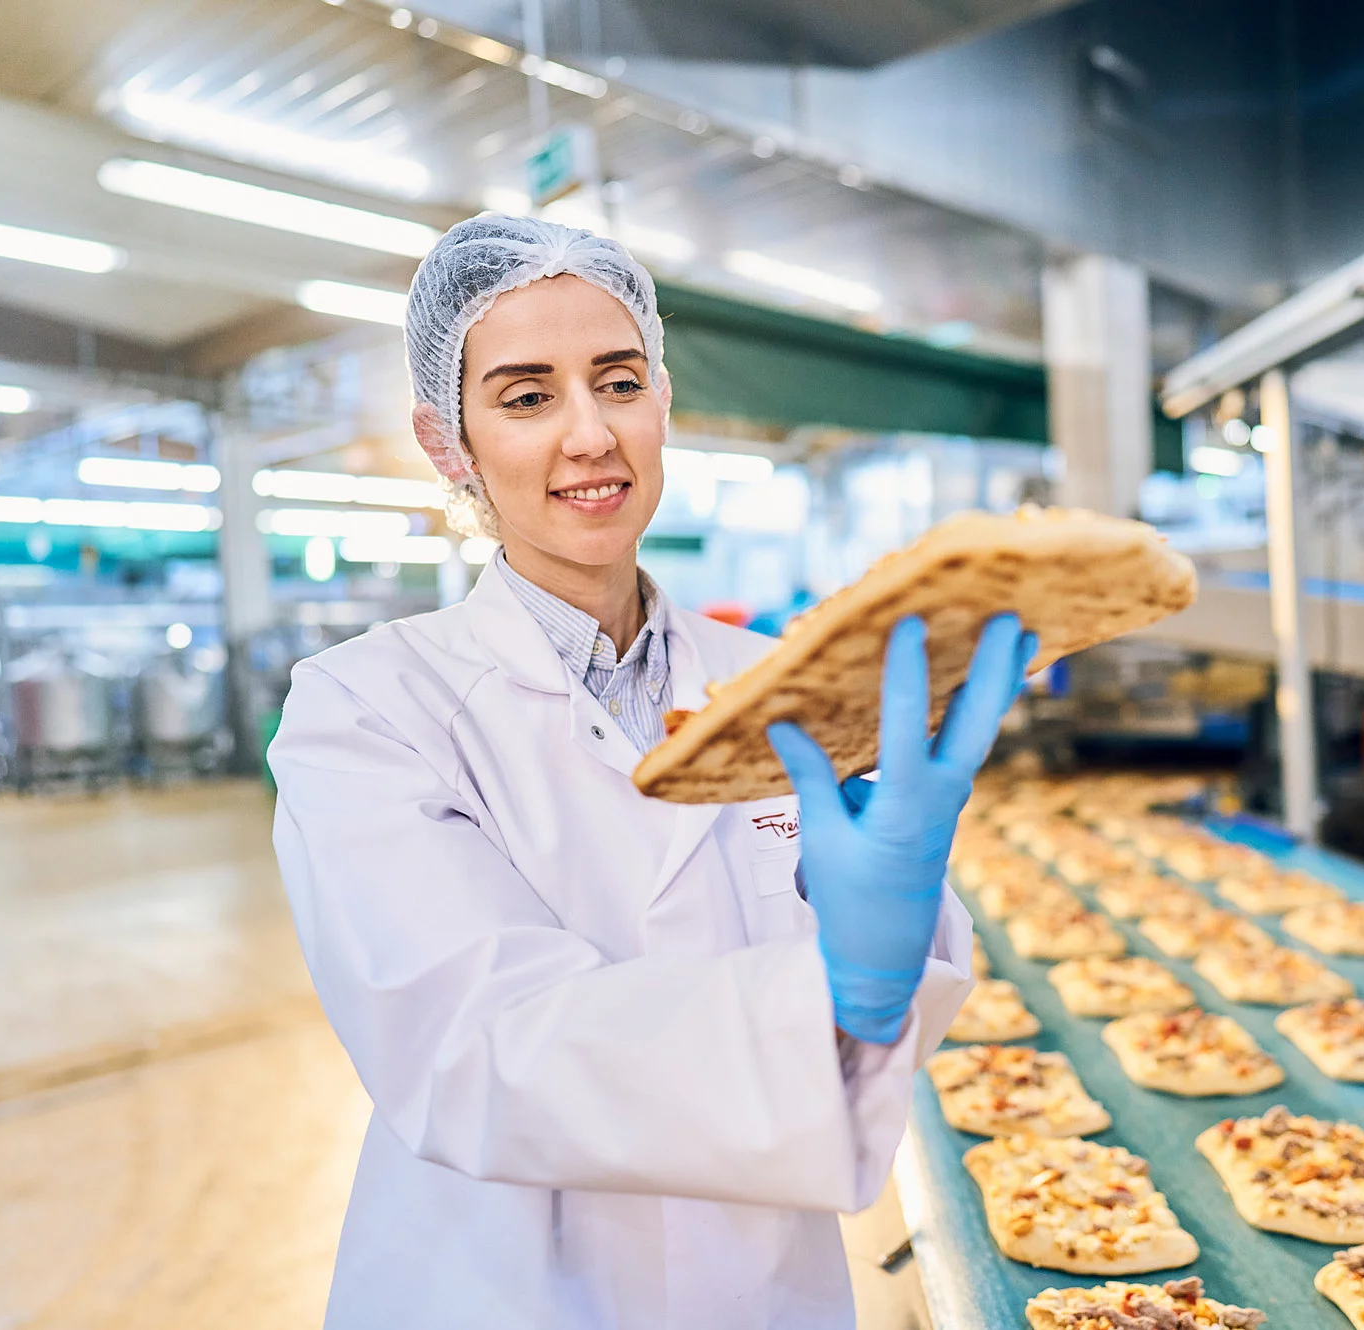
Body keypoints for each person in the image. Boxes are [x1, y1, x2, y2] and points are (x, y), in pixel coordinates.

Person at [267, 214, 1036, 1330]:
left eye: (617, 381)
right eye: (526, 396)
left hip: (765, 1285)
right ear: (451, 445)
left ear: (663, 402)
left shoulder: (774, 679)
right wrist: (835, 987)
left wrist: (895, 937)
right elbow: (475, 1046)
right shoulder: (368, 708)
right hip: (501, 1290)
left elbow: (870, 1027)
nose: (589, 435)